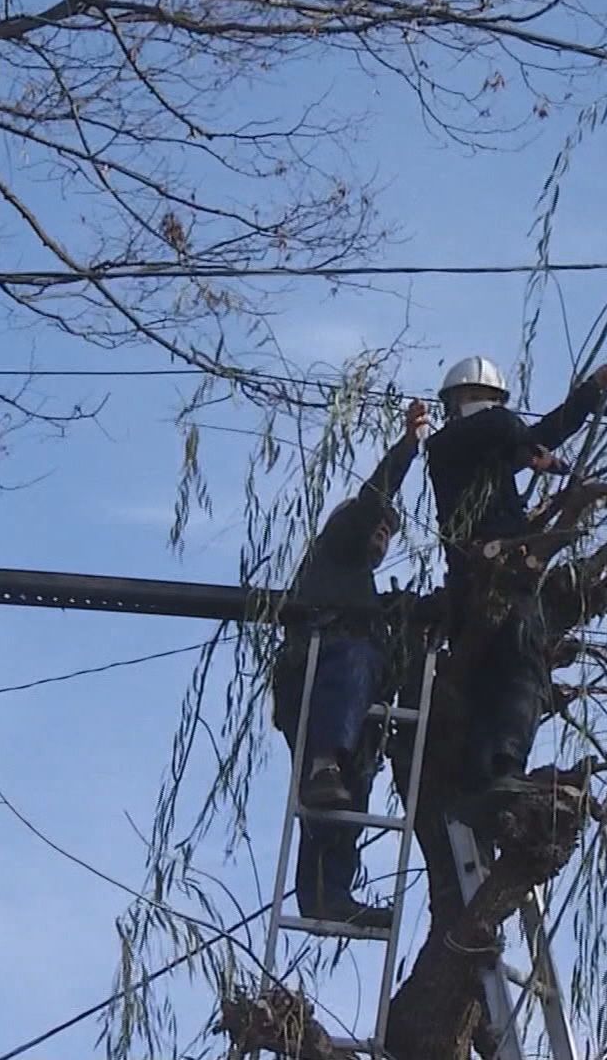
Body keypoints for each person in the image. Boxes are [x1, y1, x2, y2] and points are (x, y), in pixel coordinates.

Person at [424, 355, 607, 826]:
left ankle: (484, 777)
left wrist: (590, 393)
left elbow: (540, 433)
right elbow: (513, 431)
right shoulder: (455, 441)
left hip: (490, 573)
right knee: (523, 664)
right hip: (487, 573)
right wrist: (535, 452)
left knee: (494, 679)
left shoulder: (486, 449)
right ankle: (503, 765)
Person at [269, 398, 429, 929]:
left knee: (350, 791)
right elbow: (373, 496)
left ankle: (327, 893)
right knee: (357, 663)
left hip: (351, 704)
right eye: (376, 529)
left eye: (389, 533)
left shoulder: (367, 593)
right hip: (319, 677)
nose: (382, 537)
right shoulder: (334, 550)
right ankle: (322, 764)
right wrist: (409, 446)